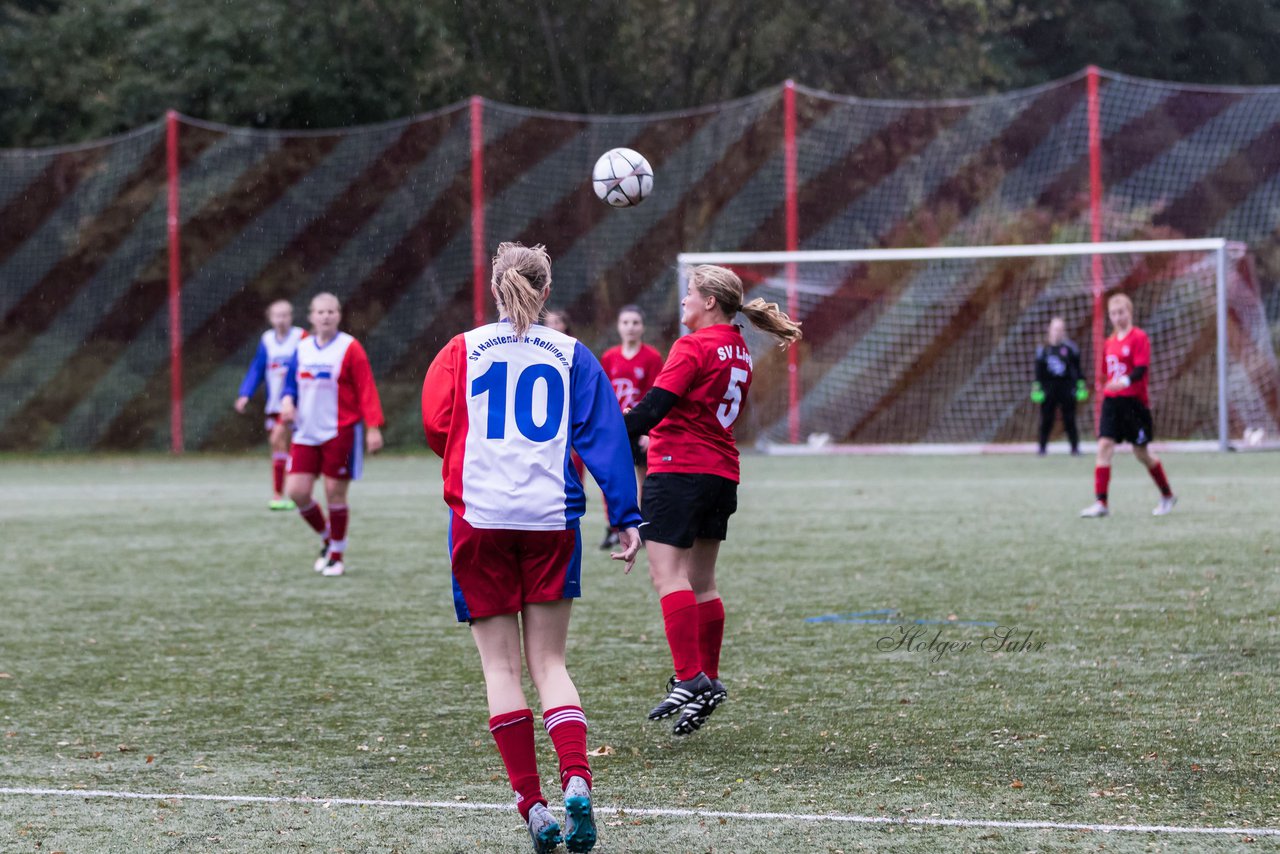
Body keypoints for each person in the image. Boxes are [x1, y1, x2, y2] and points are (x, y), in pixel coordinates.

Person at [422, 242, 642, 854]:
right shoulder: (573, 353)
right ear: (546, 292)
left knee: (500, 668)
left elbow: (437, 425)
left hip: (480, 519)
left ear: (496, 289)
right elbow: (604, 437)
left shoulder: (461, 349)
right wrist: (625, 514)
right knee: (550, 665)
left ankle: (533, 805)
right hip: (551, 520)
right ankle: (576, 777)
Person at [624, 265, 801, 736]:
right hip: (721, 473)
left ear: (709, 302)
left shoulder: (692, 345)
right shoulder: (739, 349)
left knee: (668, 575)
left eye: (689, 293)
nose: (683, 301)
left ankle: (688, 676)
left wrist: (603, 432)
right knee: (702, 582)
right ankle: (710, 678)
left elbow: (653, 410)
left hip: (679, 469)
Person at [278, 293, 384, 576]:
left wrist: (373, 427)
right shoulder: (301, 349)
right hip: (305, 433)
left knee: (334, 494)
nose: (326, 316)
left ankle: (336, 556)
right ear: (311, 317)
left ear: (338, 315)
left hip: (340, 432)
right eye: (320, 312)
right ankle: (329, 538)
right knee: (297, 492)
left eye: (331, 311)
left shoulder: (350, 347)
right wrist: (287, 402)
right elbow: (289, 386)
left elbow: (366, 388)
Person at [1080, 293, 1176, 518]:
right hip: (1112, 403)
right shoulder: (1109, 343)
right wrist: (1102, 384)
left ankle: (1167, 495)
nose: (1117, 317)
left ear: (1129, 312)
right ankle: (1101, 503)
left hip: (1134, 404)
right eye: (1113, 313)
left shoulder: (1139, 337)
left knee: (1142, 453)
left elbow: (1141, 369)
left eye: (1121, 312)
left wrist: (1122, 382)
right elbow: (1105, 373)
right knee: (1104, 446)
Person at [597, 304, 665, 549]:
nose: (631, 327)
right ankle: (615, 527)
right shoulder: (609, 357)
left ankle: (642, 526)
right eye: (626, 322)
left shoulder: (652, 357)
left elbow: (656, 397)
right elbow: (604, 395)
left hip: (639, 428)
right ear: (618, 326)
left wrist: (649, 431)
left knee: (643, 478)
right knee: (612, 478)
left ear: (642, 327)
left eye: (635, 322)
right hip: (616, 429)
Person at [234, 300, 305, 509]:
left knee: (283, 442)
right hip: (274, 405)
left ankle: (293, 491)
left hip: (297, 405)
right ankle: (281, 494)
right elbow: (257, 368)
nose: (281, 320)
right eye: (277, 315)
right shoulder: (267, 340)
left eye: (285, 315)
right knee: (279, 447)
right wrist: (245, 393)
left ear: (291, 317)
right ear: (270, 318)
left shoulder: (301, 337)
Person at [1032, 316, 1086, 456]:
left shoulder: (1070, 348)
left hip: (1066, 388)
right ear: (1050, 330)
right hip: (1049, 388)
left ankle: (1074, 448)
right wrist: (1037, 387)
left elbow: (1077, 369)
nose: (1058, 332)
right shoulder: (1043, 349)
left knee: (1069, 419)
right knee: (1046, 419)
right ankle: (1042, 448)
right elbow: (1038, 372)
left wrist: (1080, 385)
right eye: (1055, 329)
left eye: (1061, 329)